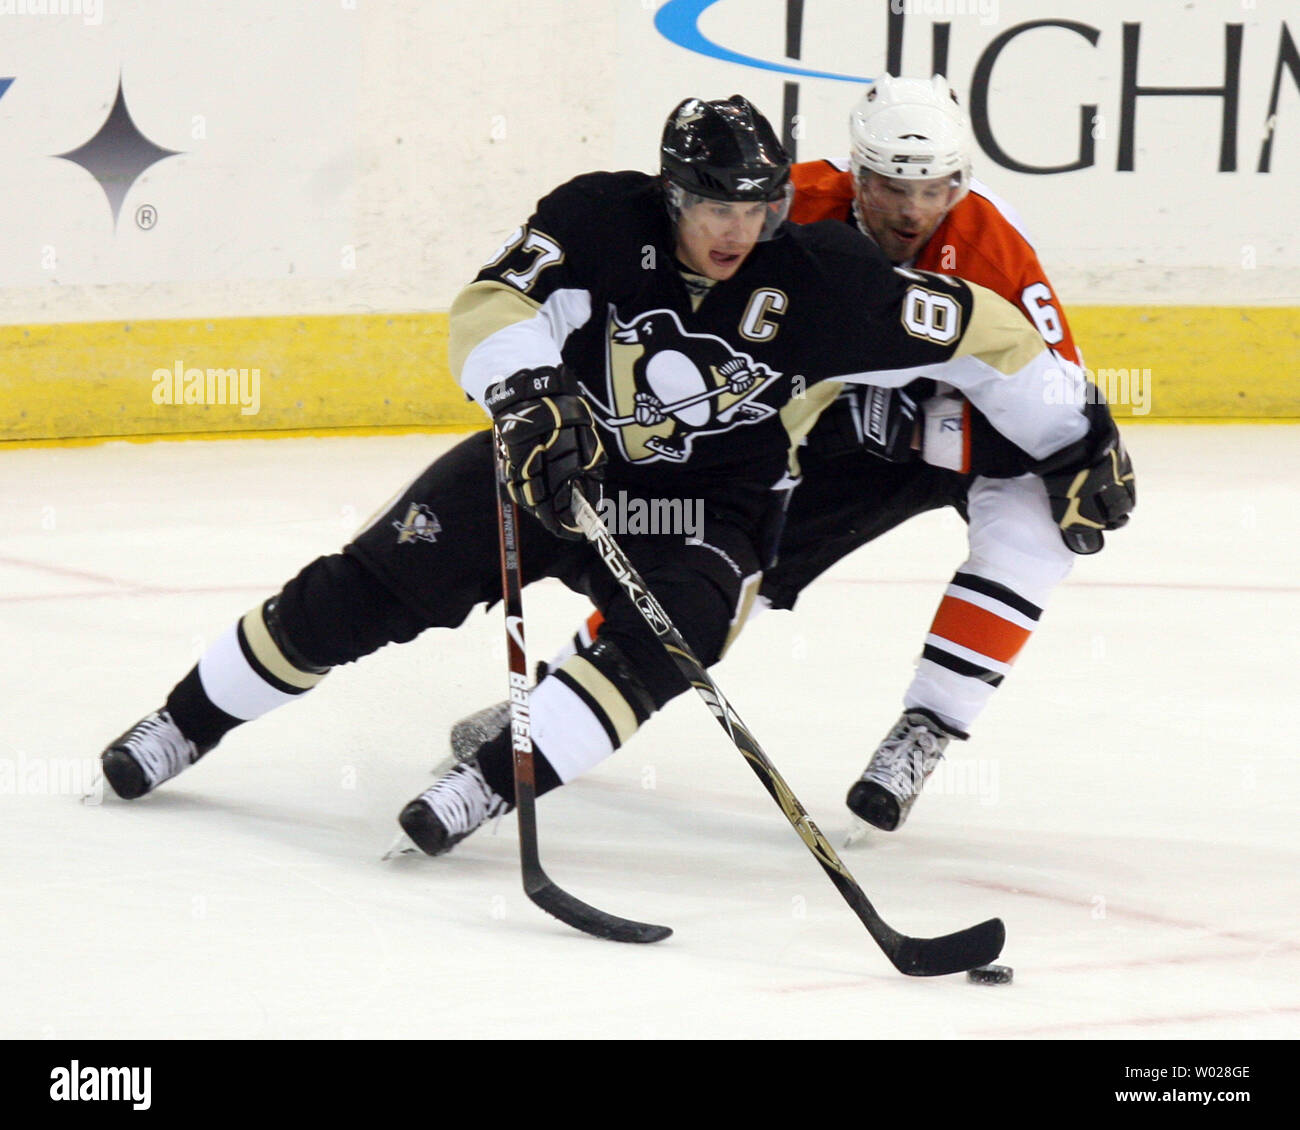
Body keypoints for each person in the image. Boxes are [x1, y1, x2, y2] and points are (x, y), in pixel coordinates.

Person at [99, 95, 1130, 861]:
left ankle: (486, 784)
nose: (736, 230)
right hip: (564, 463)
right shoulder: (599, 218)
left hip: (708, 511)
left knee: (662, 647)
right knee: (359, 590)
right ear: (670, 195)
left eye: (755, 207)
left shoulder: (821, 276)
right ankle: (184, 722)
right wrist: (528, 395)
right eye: (713, 207)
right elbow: (488, 307)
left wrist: (1080, 432)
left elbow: (987, 335)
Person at [449, 76, 1135, 837]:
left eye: (933, 188)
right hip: (838, 429)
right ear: (853, 171)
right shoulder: (781, 205)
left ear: (960, 183)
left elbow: (1051, 392)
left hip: (978, 431)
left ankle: (931, 725)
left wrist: (1080, 446)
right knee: (729, 563)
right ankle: (567, 691)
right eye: (888, 185)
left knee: (1040, 524)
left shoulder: (994, 253)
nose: (911, 209)